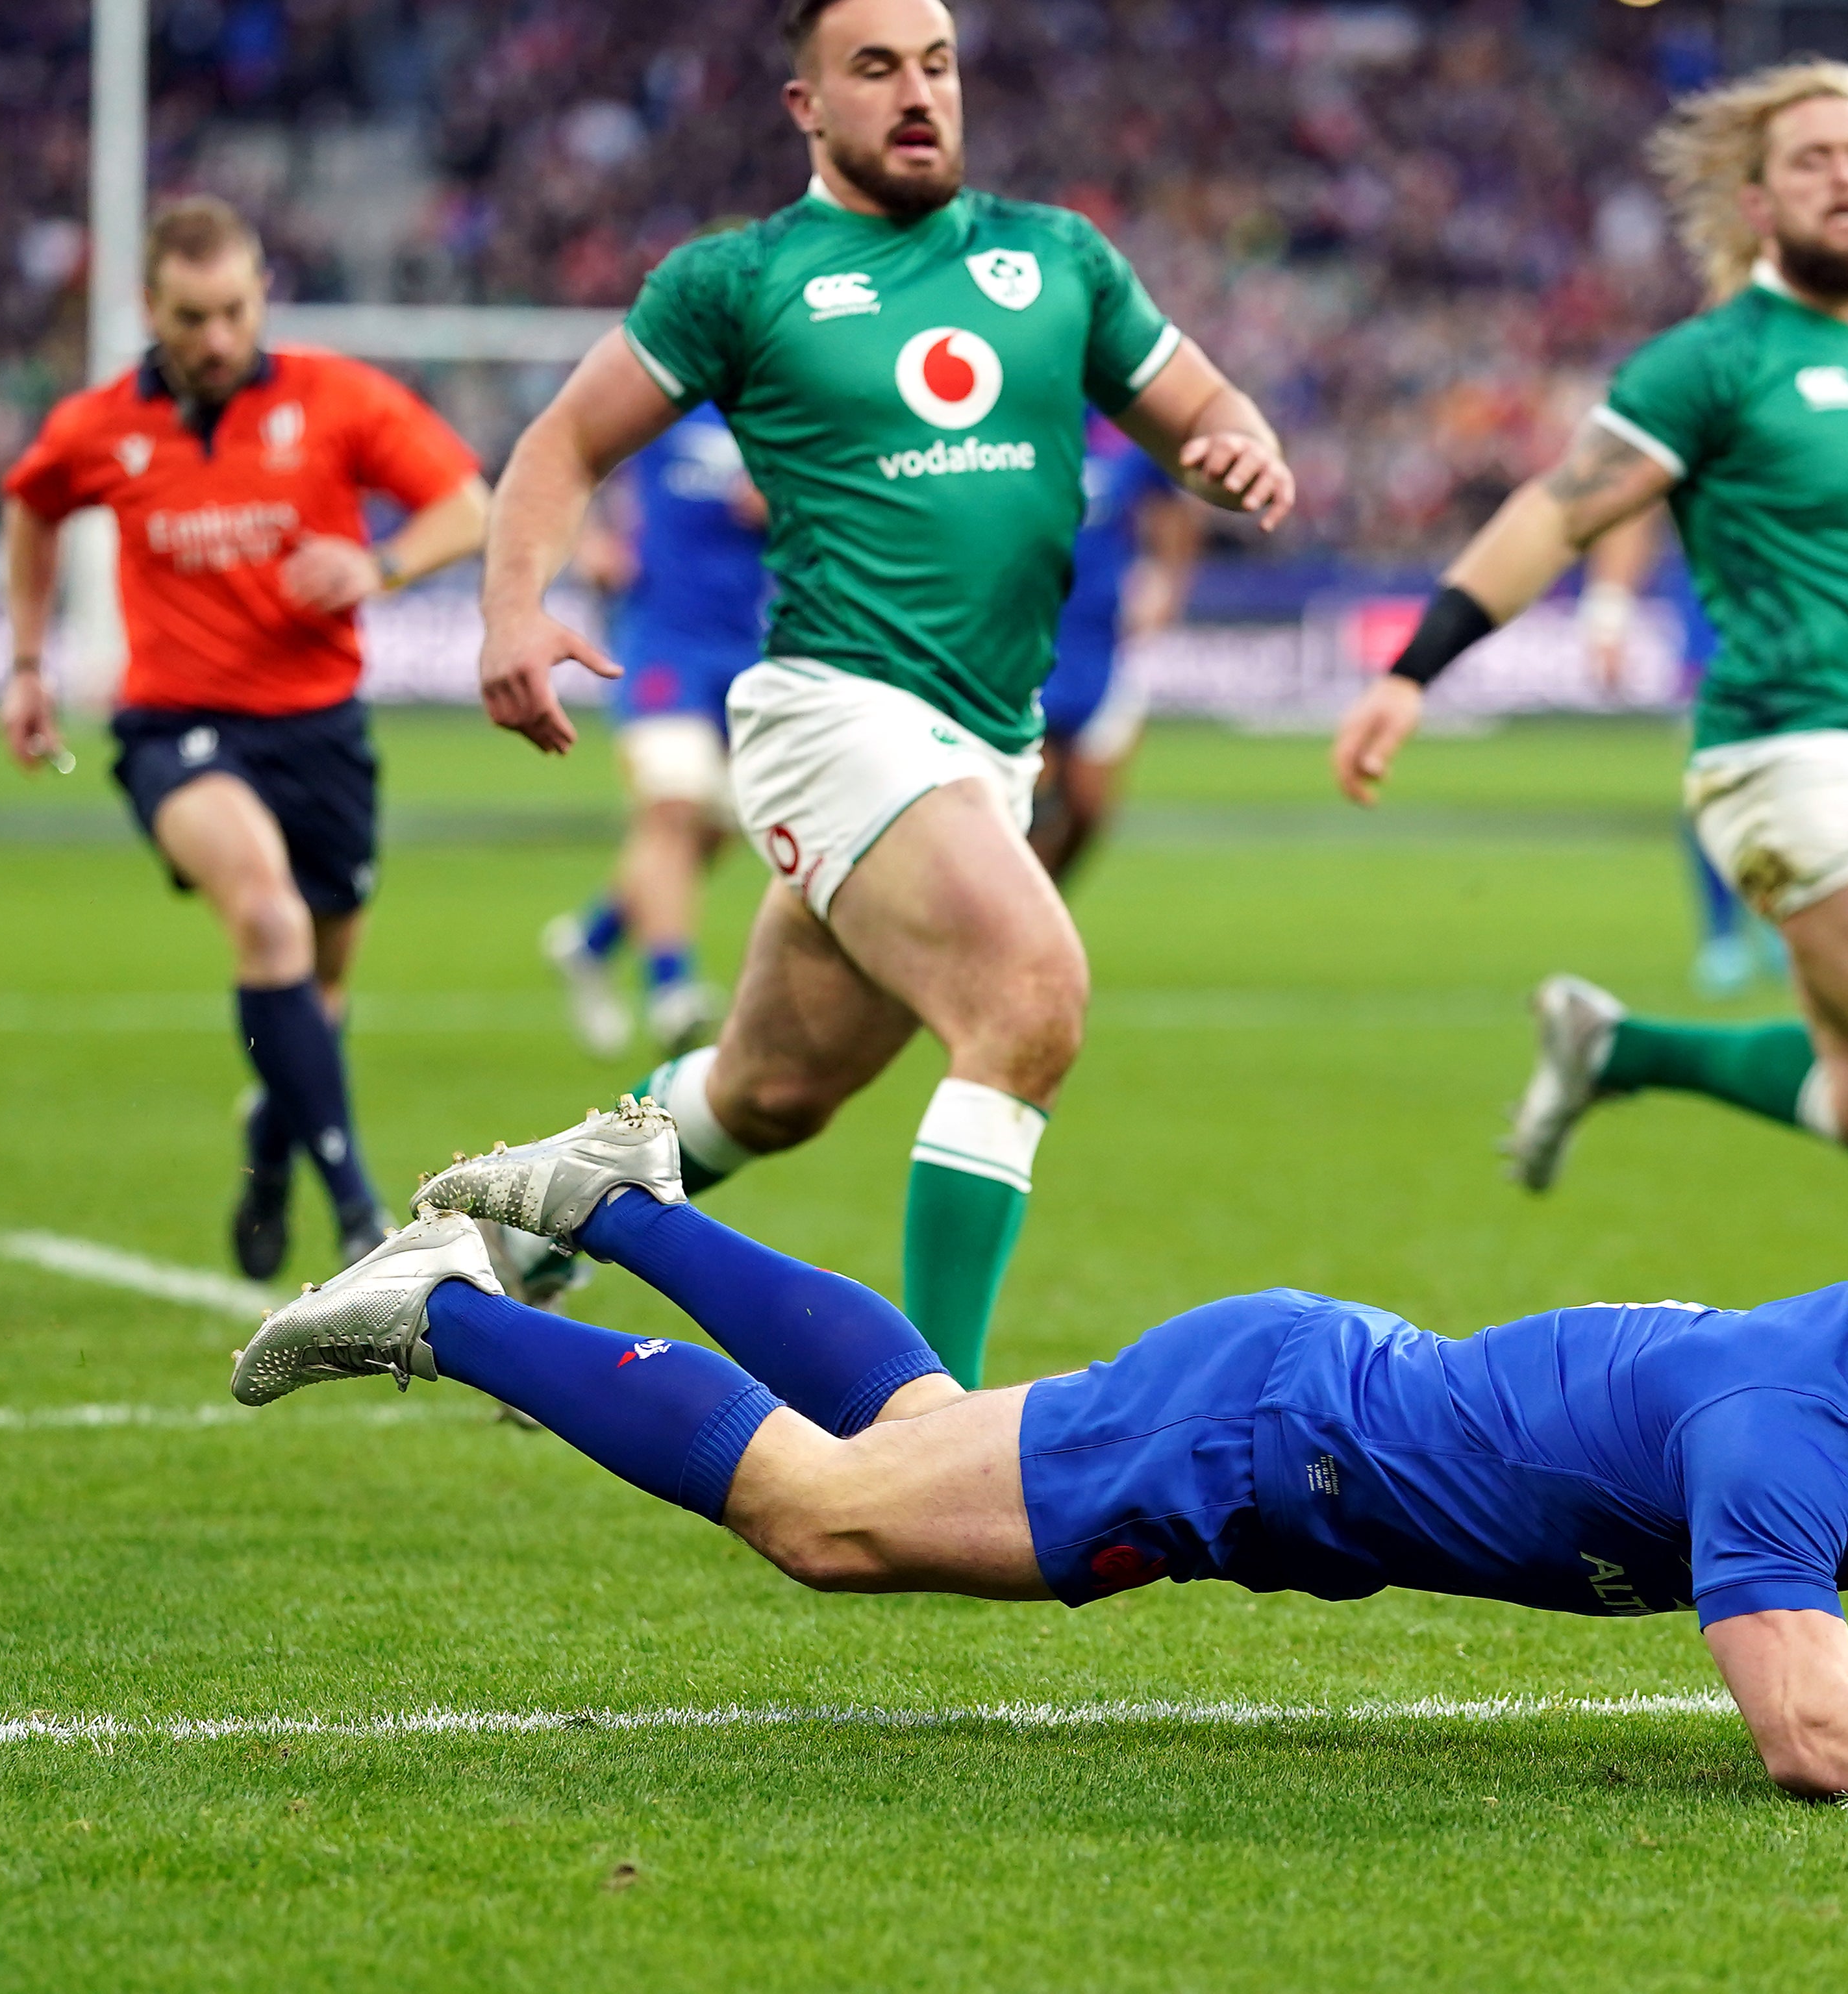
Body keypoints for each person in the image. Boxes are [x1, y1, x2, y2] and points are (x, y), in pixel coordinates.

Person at [232, 1115, 1848, 1809]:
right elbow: (1810, 1733)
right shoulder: (1787, 1429)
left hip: (1300, 1410)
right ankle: (445, 1304)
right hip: (1267, 1441)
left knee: (919, 1430)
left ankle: (621, 1200)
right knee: (828, 1522)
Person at [471, 0, 1292, 1390]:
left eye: (938, 65)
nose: (918, 94)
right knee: (1030, 997)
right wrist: (511, 605)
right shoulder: (739, 280)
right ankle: (935, 1429)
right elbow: (564, 441)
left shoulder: (1059, 260)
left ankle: (530, 1217)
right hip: (835, 712)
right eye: (876, 69)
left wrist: (1239, 454)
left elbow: (1210, 409)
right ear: (805, 104)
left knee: (767, 1091)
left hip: (988, 741)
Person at [1329, 61, 1848, 1210]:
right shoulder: (1716, 360)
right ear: (1756, 204)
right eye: (1811, 160)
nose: (1844, 176)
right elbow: (1557, 510)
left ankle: (1618, 1049)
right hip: (1795, 745)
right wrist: (1411, 672)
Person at [0, 195, 490, 1277]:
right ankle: (364, 1217)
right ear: (149, 309)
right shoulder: (100, 425)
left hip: (320, 735)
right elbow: (32, 507)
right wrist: (29, 665)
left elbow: (468, 504)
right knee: (266, 920)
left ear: (261, 292)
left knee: (317, 991)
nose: (215, 340)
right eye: (189, 318)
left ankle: (268, 1154)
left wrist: (380, 565)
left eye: (231, 311)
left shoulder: (335, 398)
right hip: (177, 731)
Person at [540, 400, 772, 1058]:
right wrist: (589, 540)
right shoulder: (665, 391)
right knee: (674, 806)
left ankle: (595, 939)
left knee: (716, 827)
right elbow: (571, 455)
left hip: (756, 643)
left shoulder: (789, 395)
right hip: (663, 640)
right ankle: (673, 988)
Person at [1578, 504, 1790, 1000]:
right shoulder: (1706, 436)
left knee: (1793, 780)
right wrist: (1608, 616)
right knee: (1715, 778)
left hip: (1803, 620)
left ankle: (1782, 917)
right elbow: (1638, 504)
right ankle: (1724, 938)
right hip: (1718, 621)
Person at [1026, 408, 1201, 882]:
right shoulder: (1017, 423)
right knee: (1030, 801)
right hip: (1027, 637)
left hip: (1102, 640)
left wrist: (1166, 584)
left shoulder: (1123, 435)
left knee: (1088, 806)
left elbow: (1173, 514)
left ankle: (1042, 909)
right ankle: (1015, 931)